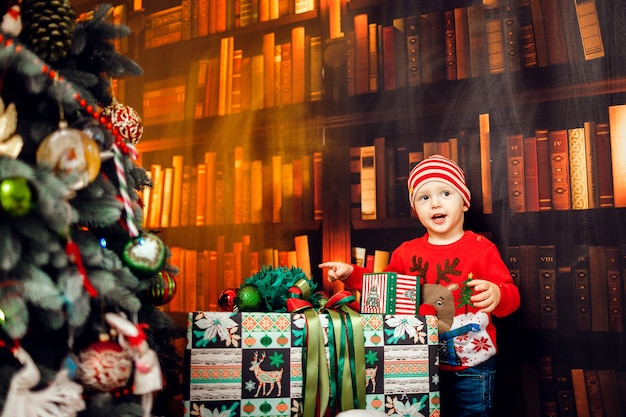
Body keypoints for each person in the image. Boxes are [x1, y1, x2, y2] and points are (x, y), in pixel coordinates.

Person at [319, 154, 520, 417]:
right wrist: (351, 274)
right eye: (424, 197)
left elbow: (511, 298)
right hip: (417, 362)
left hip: (471, 366)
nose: (435, 202)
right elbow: (382, 295)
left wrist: (497, 294)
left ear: (464, 202)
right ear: (416, 209)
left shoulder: (481, 249)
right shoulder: (404, 253)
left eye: (446, 193)